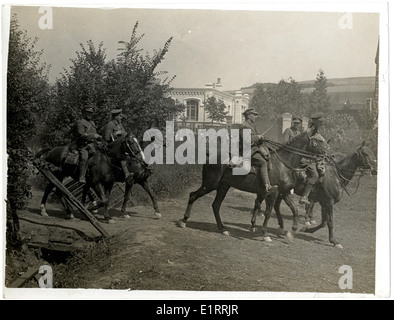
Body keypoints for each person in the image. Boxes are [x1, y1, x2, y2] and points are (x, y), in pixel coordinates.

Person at [240, 108, 278, 195]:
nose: (255, 117)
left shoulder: (251, 126)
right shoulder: (245, 126)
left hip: (253, 149)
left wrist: (262, 139)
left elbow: (256, 139)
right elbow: (247, 140)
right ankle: (267, 185)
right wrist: (258, 137)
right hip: (247, 151)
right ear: (249, 116)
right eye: (254, 115)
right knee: (263, 162)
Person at [298, 113, 330, 205]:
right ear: (315, 122)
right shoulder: (308, 133)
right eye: (320, 122)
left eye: (322, 122)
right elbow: (304, 147)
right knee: (315, 175)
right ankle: (304, 196)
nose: (321, 124)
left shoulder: (315, 131)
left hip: (314, 158)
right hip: (306, 159)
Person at [72, 105, 102, 184]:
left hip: (92, 144)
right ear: (84, 113)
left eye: (91, 113)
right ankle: (81, 176)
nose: (90, 114)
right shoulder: (80, 122)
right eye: (88, 112)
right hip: (83, 145)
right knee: (84, 157)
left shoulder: (92, 123)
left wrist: (98, 137)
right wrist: (94, 136)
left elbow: (95, 133)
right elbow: (81, 134)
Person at [103, 109, 133, 182]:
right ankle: (126, 173)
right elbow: (106, 137)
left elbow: (125, 135)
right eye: (120, 116)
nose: (121, 117)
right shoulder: (110, 124)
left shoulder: (120, 124)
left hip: (120, 146)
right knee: (121, 156)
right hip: (111, 146)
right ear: (116, 117)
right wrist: (116, 134)